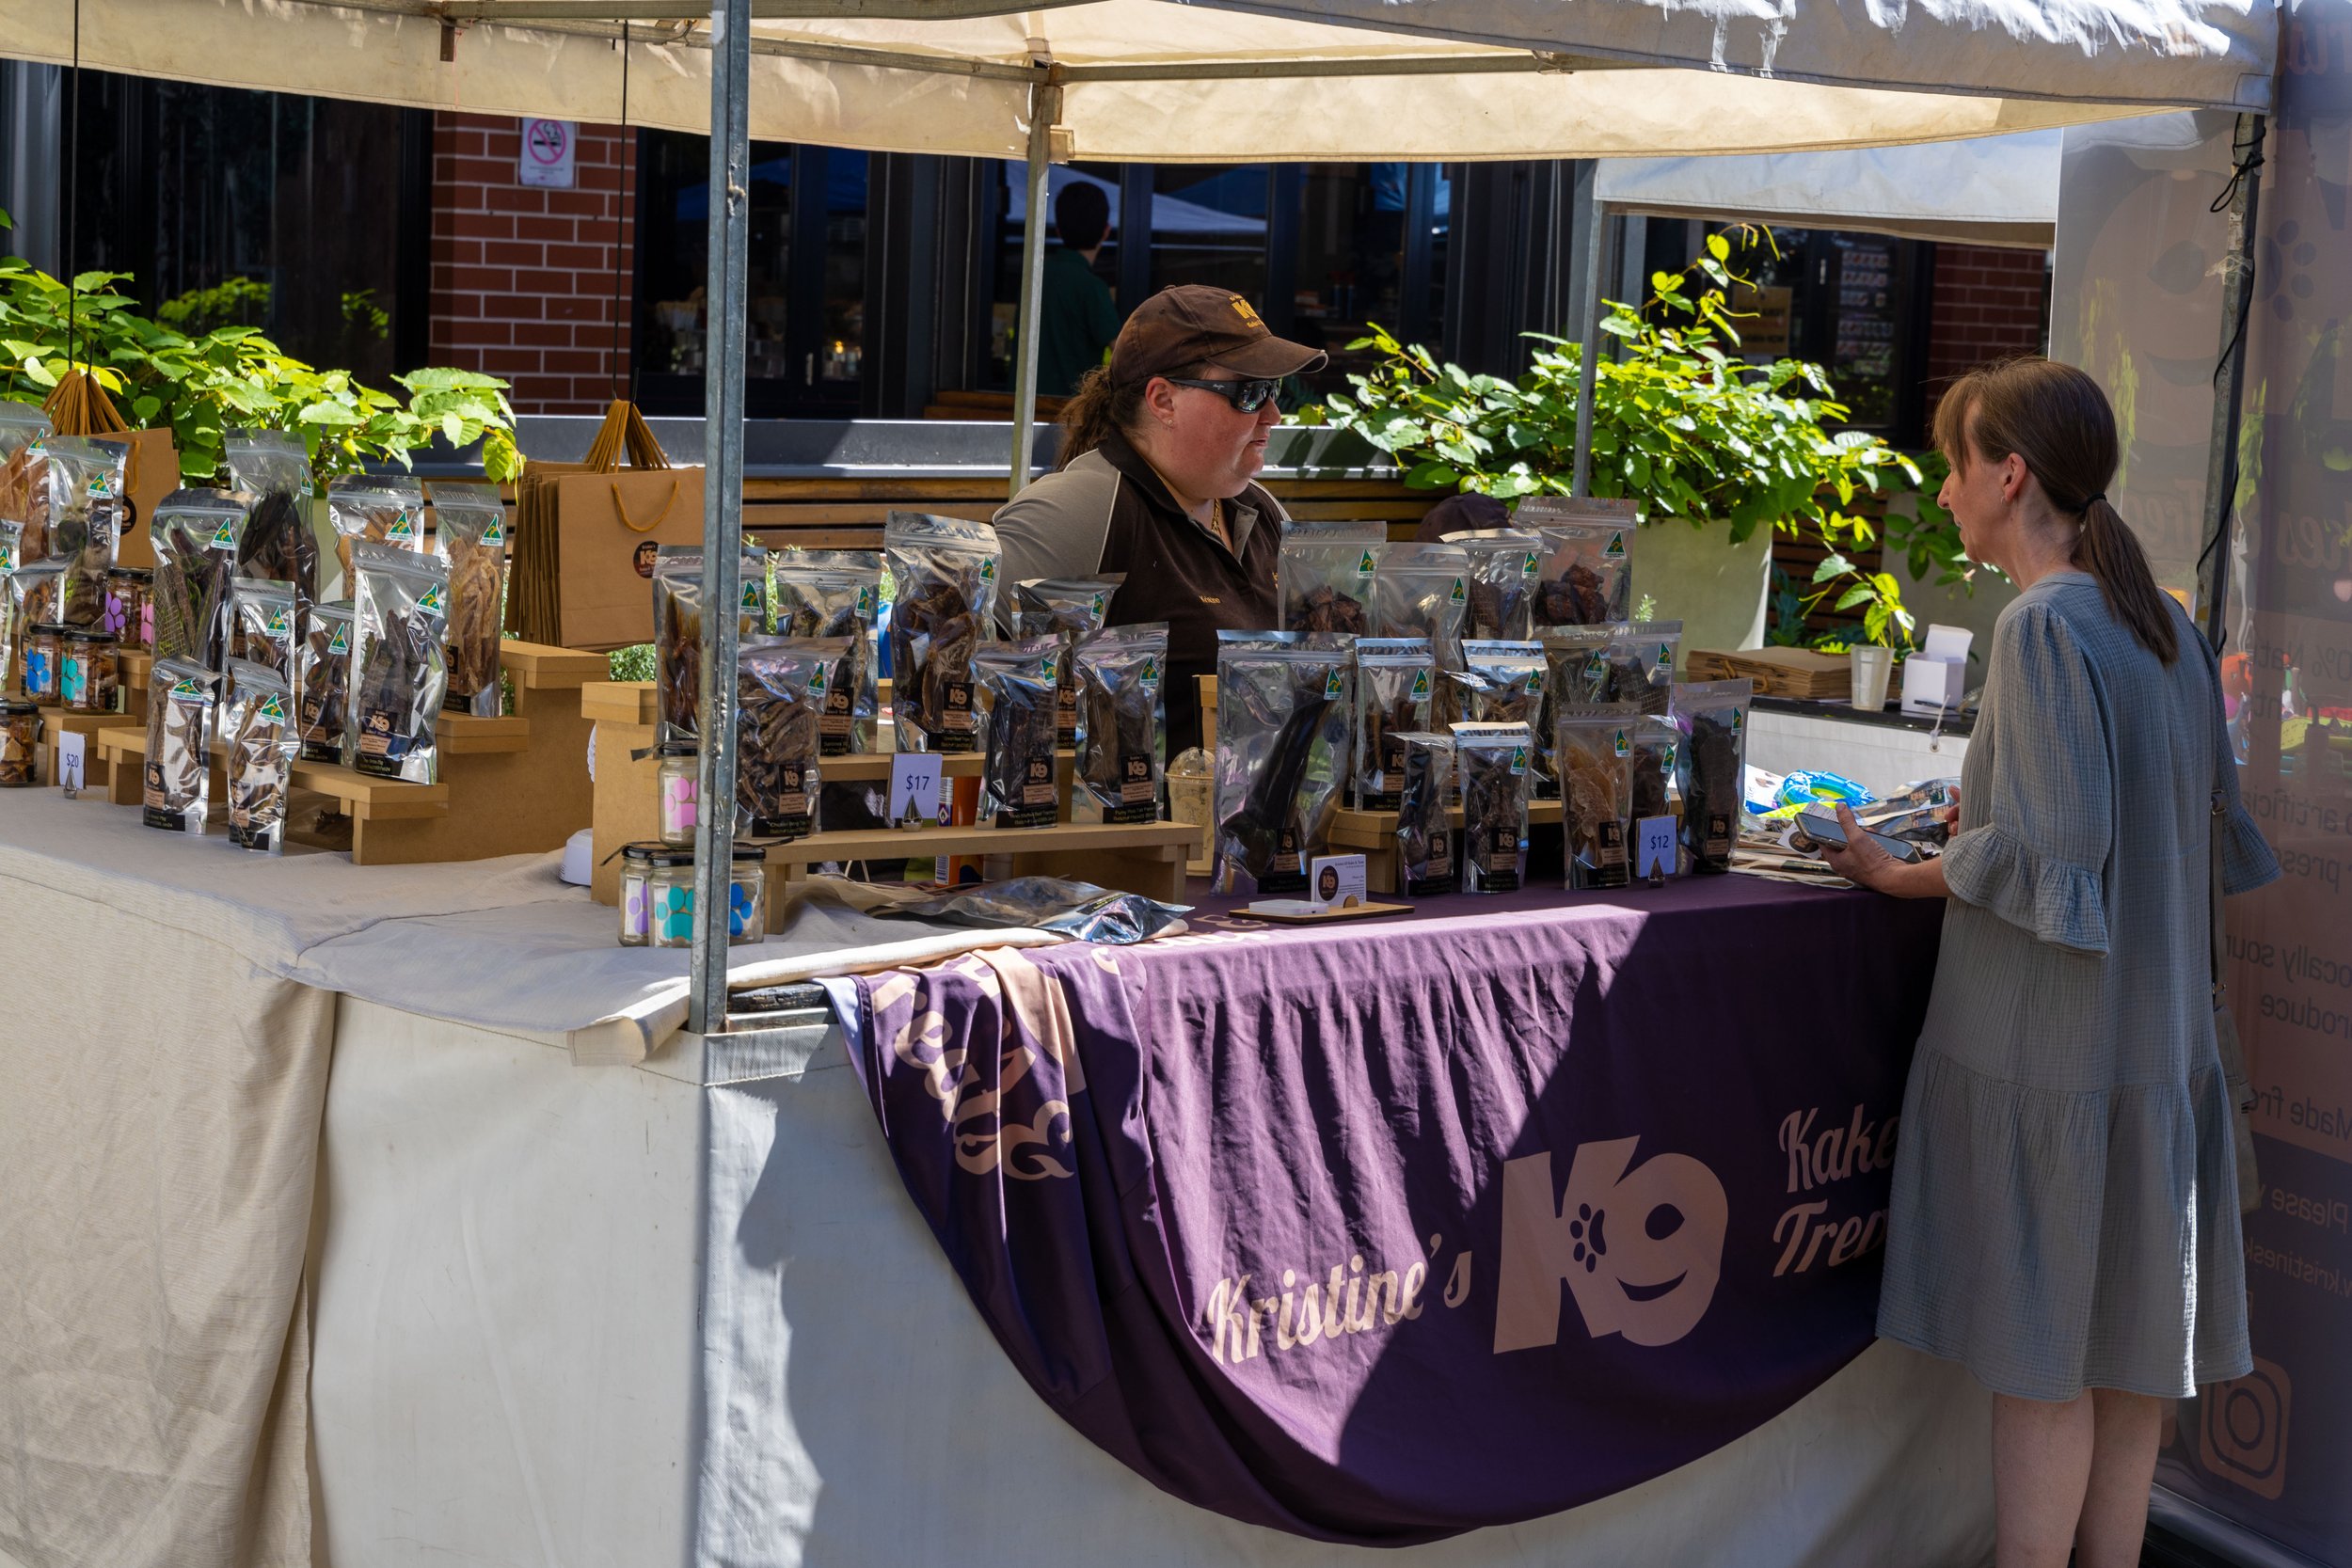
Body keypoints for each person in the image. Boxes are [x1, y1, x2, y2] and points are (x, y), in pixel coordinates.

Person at [1816, 357, 2279, 1568]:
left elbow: (2052, 857)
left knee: (2042, 1366)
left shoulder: (2039, 626)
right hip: (2155, 1050)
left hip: (2056, 1060)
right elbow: (2184, 839)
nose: (1946, 488)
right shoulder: (2161, 618)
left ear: (2006, 473)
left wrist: (1898, 867)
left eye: (1954, 463)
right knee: (2128, 1364)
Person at [991, 283, 1326, 754]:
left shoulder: (1261, 510)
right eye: (1250, 392)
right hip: (1138, 823)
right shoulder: (1084, 508)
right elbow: (963, 668)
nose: (1273, 414)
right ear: (1163, 400)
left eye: (1274, 389)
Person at [1036, 180, 1121, 398]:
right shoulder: (1092, 287)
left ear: (1058, 231)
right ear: (1106, 231)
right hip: (1072, 411)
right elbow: (1122, 355)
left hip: (1020, 406)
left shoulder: (1035, 277)